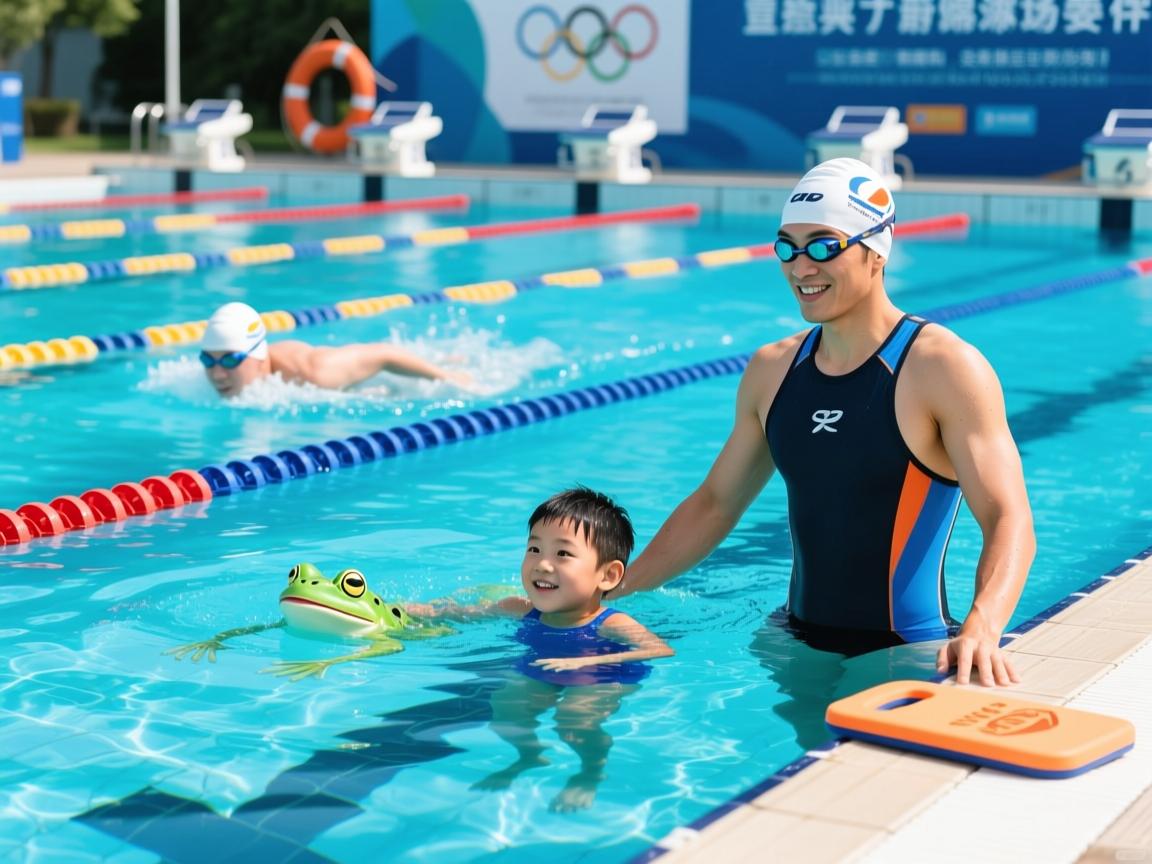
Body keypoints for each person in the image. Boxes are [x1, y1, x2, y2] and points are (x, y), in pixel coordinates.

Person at [611, 158, 1036, 688]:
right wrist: (611, 594)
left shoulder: (941, 368)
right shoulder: (773, 369)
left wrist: (982, 627)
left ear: (876, 249)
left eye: (823, 245)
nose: (800, 267)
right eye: (787, 246)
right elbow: (714, 504)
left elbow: (1006, 515)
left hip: (905, 651)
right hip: (792, 643)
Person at [407, 486, 674, 812]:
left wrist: (589, 663)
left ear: (607, 575)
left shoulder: (611, 623)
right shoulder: (517, 608)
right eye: (534, 549)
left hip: (602, 673)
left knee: (573, 719)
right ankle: (528, 755)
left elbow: (658, 650)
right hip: (546, 665)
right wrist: (413, 613)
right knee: (506, 708)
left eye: (562, 554)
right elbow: (463, 613)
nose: (542, 565)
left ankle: (590, 773)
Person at [199, 301, 473, 398]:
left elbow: (384, 354)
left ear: (259, 357)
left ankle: (446, 363)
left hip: (366, 371)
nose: (217, 374)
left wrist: (447, 377)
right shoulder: (211, 374)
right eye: (208, 361)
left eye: (231, 361)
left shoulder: (314, 372)